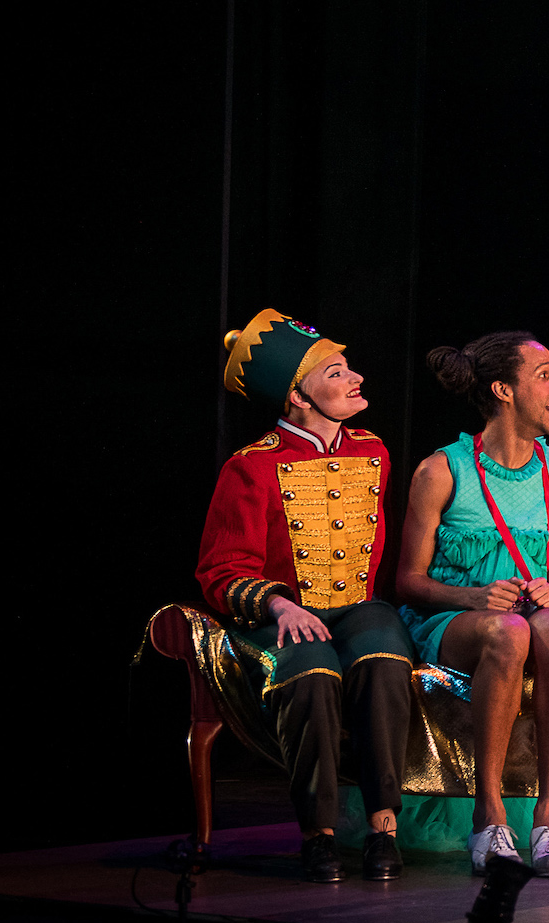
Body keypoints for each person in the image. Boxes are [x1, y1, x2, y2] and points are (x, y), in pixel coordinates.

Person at [196, 308, 414, 882]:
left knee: (385, 660)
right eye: (337, 373)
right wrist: (278, 604)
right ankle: (317, 835)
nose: (355, 379)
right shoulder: (251, 468)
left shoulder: (374, 451)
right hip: (282, 615)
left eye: (348, 369)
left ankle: (383, 824)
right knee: (313, 674)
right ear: (297, 395)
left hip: (357, 608)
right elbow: (220, 570)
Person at [396, 331, 549, 877]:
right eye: (544, 374)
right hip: (455, 622)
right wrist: (470, 597)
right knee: (508, 632)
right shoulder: (442, 470)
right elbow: (407, 581)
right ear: (504, 389)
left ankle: (548, 816)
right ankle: (489, 813)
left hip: (532, 618)